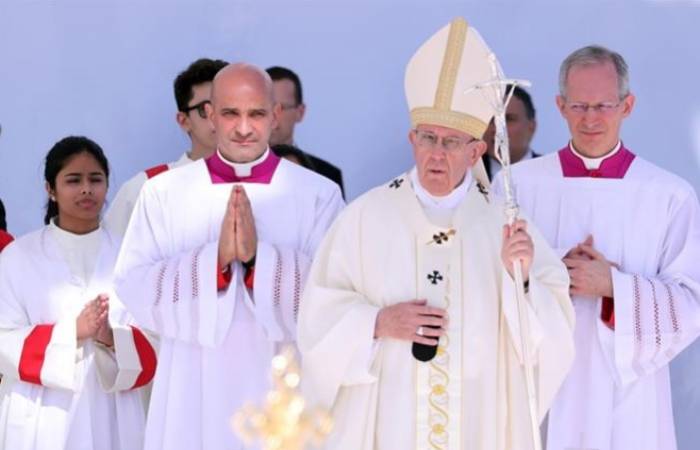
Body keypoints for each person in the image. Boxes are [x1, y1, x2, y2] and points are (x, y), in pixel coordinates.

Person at [297, 18, 575, 450]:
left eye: (451, 141)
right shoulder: (364, 218)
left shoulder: (506, 224)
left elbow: (553, 337)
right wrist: (376, 322)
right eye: (428, 138)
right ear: (412, 139)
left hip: (478, 421)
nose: (437, 154)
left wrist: (520, 280)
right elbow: (316, 319)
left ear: (476, 150)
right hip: (389, 420)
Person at [114, 62, 344, 450]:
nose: (242, 127)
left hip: (283, 377)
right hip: (191, 379)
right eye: (230, 113)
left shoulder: (318, 194)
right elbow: (133, 286)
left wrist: (259, 261)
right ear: (210, 116)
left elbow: (334, 295)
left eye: (255, 114)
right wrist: (214, 263)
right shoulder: (164, 193)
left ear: (275, 116)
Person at [493, 45, 700, 450]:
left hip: (630, 395)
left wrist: (613, 288)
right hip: (541, 383)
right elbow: (484, 282)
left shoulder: (668, 195)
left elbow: (691, 304)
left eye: (604, 105)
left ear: (628, 105)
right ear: (560, 106)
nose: (590, 118)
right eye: (579, 105)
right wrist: (542, 275)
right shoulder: (517, 187)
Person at [0, 136, 156, 450]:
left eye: (95, 179)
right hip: (41, 410)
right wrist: (73, 331)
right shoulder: (18, 256)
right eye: (73, 180)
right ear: (50, 189)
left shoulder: (131, 255)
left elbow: (156, 336)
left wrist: (112, 337)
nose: (86, 189)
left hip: (111, 407)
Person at [103, 58, 227, 237]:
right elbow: (107, 258)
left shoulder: (270, 184)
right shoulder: (145, 188)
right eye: (206, 110)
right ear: (184, 121)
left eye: (229, 107)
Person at [266, 66, 345, 196]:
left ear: (300, 112)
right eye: (267, 107)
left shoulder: (328, 176)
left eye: (282, 108)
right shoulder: (234, 172)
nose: (273, 116)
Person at [482, 85, 539, 180]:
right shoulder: (464, 175)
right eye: (491, 119)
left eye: (508, 119)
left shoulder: (554, 174)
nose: (497, 129)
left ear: (531, 127)